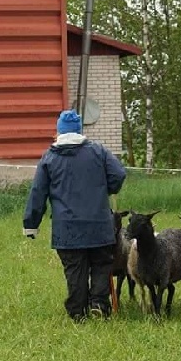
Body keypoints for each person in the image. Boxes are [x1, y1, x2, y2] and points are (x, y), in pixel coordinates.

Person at [23, 109, 127, 322]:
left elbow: (38, 193)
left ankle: (78, 311)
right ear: (79, 131)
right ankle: (99, 304)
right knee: (100, 264)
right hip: (99, 224)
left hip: (67, 229)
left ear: (59, 132)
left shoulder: (50, 158)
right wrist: (105, 190)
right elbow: (118, 174)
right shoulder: (98, 151)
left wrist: (31, 224)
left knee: (75, 269)